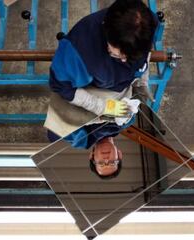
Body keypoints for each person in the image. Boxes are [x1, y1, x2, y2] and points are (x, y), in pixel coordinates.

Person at [44, 0, 158, 176]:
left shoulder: (146, 24)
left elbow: (146, 52)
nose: (106, 158)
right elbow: (61, 86)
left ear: (92, 156)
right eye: (111, 161)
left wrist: (142, 78)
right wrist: (100, 106)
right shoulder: (79, 52)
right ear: (119, 154)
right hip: (90, 90)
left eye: (101, 163)